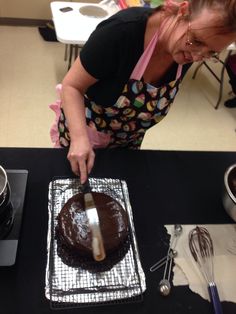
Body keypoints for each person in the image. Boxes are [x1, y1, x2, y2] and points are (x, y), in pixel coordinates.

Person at [50, 0, 236, 184]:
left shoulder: (184, 51)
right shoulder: (122, 31)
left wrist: (197, 45)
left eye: (211, 53)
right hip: (83, 132)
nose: (196, 56)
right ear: (183, 11)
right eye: (195, 41)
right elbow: (72, 86)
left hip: (127, 146)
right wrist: (79, 139)